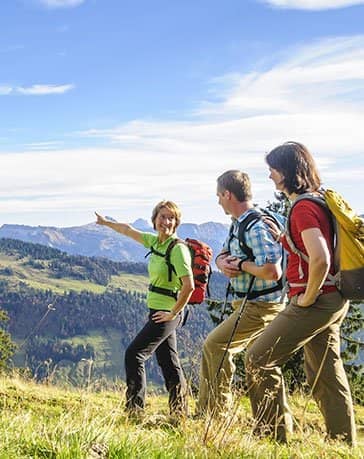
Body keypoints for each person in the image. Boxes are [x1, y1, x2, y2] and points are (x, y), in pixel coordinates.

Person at [245, 141, 356, 444]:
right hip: (334, 297)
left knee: (257, 358)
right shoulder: (317, 200)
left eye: (273, 170)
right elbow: (313, 251)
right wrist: (284, 238)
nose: (270, 176)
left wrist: (307, 297)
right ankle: (342, 442)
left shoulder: (303, 207)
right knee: (326, 373)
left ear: (289, 172)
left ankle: (271, 436)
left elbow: (319, 257)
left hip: (316, 301)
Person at [196, 170, 286, 417]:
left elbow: (272, 270)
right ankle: (274, 426)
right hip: (250, 304)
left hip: (261, 306)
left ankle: (213, 414)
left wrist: (241, 266)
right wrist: (222, 261)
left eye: (218, 196)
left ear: (228, 194)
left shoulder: (255, 226)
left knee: (216, 346)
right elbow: (224, 253)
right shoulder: (239, 224)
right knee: (263, 362)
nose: (218, 201)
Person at [95, 201, 194, 419]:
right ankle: (180, 413)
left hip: (167, 313)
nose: (166, 221)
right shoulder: (155, 243)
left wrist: (173, 314)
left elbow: (189, 286)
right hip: (159, 311)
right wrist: (105, 223)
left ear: (177, 222)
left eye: (171, 218)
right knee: (169, 362)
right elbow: (128, 231)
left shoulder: (177, 249)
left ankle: (135, 411)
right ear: (155, 219)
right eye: (162, 216)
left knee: (134, 354)